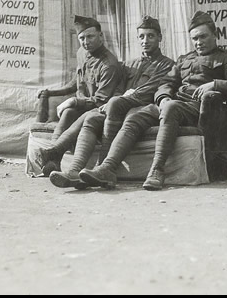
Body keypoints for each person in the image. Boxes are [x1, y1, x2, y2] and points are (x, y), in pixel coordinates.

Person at [79, 10, 227, 191]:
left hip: (200, 108)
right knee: (137, 115)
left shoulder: (226, 59)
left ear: (215, 36)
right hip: (174, 104)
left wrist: (215, 84)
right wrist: (163, 98)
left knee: (171, 108)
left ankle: (157, 170)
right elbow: (166, 83)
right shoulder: (184, 59)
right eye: (195, 39)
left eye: (203, 37)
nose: (199, 42)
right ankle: (107, 168)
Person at [47, 15, 174, 189]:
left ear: (159, 38)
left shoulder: (167, 65)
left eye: (151, 36)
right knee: (91, 118)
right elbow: (119, 87)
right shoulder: (130, 64)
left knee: (113, 106)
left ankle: (102, 168)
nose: (145, 40)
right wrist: (118, 98)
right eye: (141, 36)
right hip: (120, 109)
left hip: (143, 108)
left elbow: (150, 89)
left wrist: (122, 99)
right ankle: (75, 171)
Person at [34, 15, 124, 175]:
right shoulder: (82, 53)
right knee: (68, 111)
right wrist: (52, 92)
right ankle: (52, 159)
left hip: (101, 110)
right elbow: (77, 82)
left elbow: (101, 100)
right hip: (83, 107)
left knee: (71, 109)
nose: (86, 41)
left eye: (90, 36)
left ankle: (53, 154)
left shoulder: (109, 64)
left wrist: (74, 101)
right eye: (82, 38)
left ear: (101, 36)